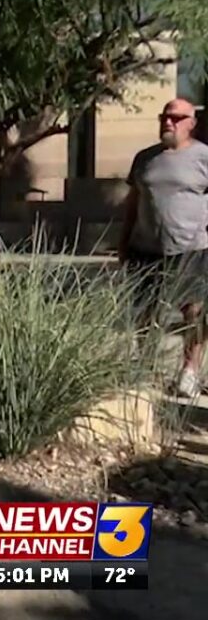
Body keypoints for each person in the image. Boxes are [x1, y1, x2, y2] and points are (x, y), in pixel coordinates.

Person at [119, 97, 208, 398]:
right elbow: (132, 204)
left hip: (191, 249)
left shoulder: (203, 157)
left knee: (194, 312)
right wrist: (123, 242)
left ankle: (189, 372)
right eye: (164, 117)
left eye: (177, 118)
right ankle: (145, 368)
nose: (168, 122)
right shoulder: (144, 158)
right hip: (145, 248)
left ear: (191, 123)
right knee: (145, 313)